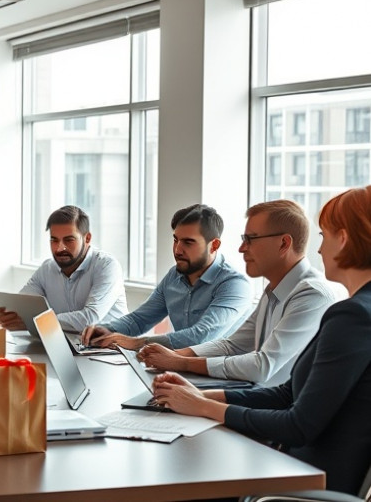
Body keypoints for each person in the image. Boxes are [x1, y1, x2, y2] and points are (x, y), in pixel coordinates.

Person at [152, 187, 371, 495]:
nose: (319, 250)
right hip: (294, 463)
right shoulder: (353, 309)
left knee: (177, 478)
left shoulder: (353, 315)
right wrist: (203, 397)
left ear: (344, 239)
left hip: (304, 477)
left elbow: (298, 424)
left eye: (324, 235)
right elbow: (288, 394)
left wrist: (202, 406)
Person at [140, 200, 342, 386]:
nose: (241, 248)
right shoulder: (274, 289)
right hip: (261, 401)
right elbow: (233, 345)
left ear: (283, 244)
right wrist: (175, 355)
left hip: (281, 413)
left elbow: (262, 367)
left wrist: (181, 363)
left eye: (250, 239)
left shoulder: (313, 295)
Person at [82, 204, 252, 350]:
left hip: (225, 379)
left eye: (188, 242)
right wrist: (107, 330)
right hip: (181, 369)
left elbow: (200, 337)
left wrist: (135, 343)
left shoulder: (234, 284)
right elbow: (139, 319)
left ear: (214, 245)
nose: (177, 250)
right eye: (175, 240)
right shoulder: (174, 276)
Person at [0, 205, 127, 332]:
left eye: (69, 240)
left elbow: (89, 318)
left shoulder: (107, 266)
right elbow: (23, 306)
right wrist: (11, 315)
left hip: (111, 351)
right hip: (66, 347)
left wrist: (34, 323)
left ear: (87, 238)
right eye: (54, 240)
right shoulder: (47, 269)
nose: (59, 248)